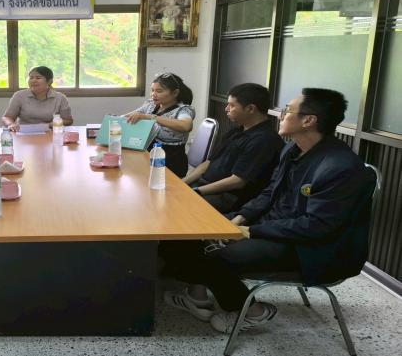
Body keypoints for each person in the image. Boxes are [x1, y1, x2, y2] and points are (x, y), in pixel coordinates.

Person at [160, 88, 376, 334]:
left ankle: (253, 311)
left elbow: (315, 227)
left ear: (308, 120)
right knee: (187, 234)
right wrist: (239, 219)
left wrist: (250, 231)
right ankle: (197, 297)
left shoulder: (340, 167)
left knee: (215, 254)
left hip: (311, 248)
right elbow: (269, 193)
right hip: (275, 227)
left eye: (288, 110)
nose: (281, 115)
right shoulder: (292, 150)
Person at [183, 83, 285, 213]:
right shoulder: (236, 131)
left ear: (251, 109)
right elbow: (208, 163)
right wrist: (183, 183)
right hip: (205, 186)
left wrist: (197, 191)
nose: (226, 109)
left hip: (228, 197)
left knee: (180, 206)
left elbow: (237, 181)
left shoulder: (265, 140)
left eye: (231, 105)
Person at [125, 72, 194, 177]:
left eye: (159, 91)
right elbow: (130, 116)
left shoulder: (183, 110)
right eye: (152, 90)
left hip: (170, 162)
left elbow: (186, 126)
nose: (153, 94)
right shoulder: (151, 105)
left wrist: (150, 117)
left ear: (175, 93)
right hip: (148, 156)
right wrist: (114, 120)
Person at [2, 66, 73, 131]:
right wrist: (11, 124)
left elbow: (68, 120)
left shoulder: (60, 98)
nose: (33, 80)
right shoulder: (19, 95)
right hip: (23, 133)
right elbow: (7, 117)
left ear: (49, 81)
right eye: (31, 78)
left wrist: (52, 124)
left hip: (50, 132)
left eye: (38, 78)